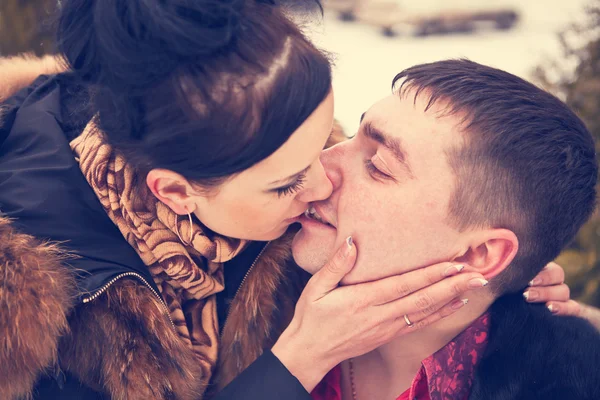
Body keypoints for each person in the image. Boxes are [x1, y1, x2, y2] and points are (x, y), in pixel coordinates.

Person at [0, 3, 586, 400]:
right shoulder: (23, 313)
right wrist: (294, 363)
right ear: (176, 192)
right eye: (286, 182)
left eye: (357, 146)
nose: (325, 176)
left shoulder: (266, 156)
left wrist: (509, 281)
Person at [288, 59, 600, 400]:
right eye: (352, 135)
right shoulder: (237, 270)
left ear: (478, 254)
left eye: (377, 166)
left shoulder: (567, 383)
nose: (319, 167)